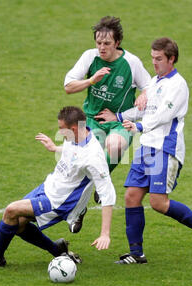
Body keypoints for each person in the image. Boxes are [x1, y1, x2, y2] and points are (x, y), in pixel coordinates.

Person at [98, 38, 192, 264]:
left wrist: (140, 126)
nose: (154, 63)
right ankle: (136, 254)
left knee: (158, 202)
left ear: (171, 59)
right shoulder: (154, 82)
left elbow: (163, 114)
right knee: (132, 196)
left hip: (164, 148)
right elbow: (143, 109)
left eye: (159, 59)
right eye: (152, 58)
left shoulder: (178, 85)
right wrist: (119, 117)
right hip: (146, 147)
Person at [0, 106, 116, 268]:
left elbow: (107, 193)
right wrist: (55, 148)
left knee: (11, 211)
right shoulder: (77, 136)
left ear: (73, 128)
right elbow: (73, 152)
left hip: (58, 201)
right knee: (18, 224)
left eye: (61, 128)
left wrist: (105, 234)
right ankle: (57, 250)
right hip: (48, 187)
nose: (59, 132)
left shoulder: (93, 157)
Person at [64, 16, 151, 203]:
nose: (102, 47)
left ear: (117, 43)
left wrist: (145, 93)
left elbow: (152, 87)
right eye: (99, 42)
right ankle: (81, 205)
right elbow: (68, 86)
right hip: (91, 119)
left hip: (120, 122)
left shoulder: (131, 62)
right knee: (82, 164)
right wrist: (91, 80)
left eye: (107, 43)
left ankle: (100, 183)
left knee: (115, 145)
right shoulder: (90, 57)